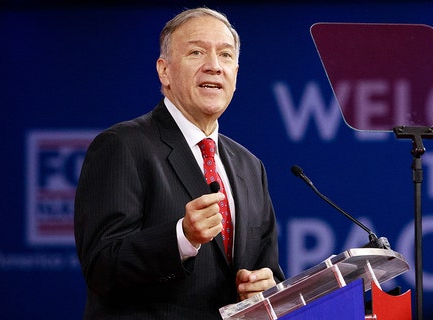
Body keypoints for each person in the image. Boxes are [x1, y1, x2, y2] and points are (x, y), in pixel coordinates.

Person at [74, 7, 285, 319]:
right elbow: (101, 268)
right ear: (164, 71)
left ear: (236, 75)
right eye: (197, 52)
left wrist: (265, 287)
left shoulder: (250, 167)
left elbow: (267, 270)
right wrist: (182, 237)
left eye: (225, 56)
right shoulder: (122, 145)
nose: (214, 66)